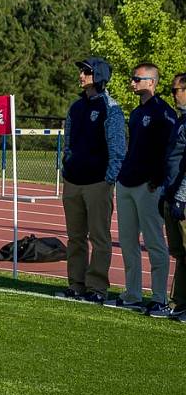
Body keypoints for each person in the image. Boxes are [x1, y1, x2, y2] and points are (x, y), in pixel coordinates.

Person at [56, 57, 126, 303]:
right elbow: (69, 142)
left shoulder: (111, 108)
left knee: (99, 237)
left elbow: (118, 148)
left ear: (98, 75)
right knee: (75, 237)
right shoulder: (75, 107)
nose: (81, 75)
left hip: (98, 183)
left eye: (86, 71)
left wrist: (108, 179)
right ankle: (76, 284)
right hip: (73, 181)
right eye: (81, 71)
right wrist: (67, 166)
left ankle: (97, 288)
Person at [108, 63, 175, 315]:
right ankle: (132, 293)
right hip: (126, 182)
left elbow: (169, 152)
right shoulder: (136, 114)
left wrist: (157, 179)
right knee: (127, 241)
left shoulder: (163, 112)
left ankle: (159, 297)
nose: (132, 82)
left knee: (154, 242)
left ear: (152, 82)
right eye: (132, 78)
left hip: (148, 186)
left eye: (137, 78)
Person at [162, 73, 186, 320]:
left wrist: (180, 196)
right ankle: (179, 302)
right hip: (172, 195)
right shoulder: (181, 121)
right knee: (180, 254)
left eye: (176, 90)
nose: (174, 95)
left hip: (183, 198)